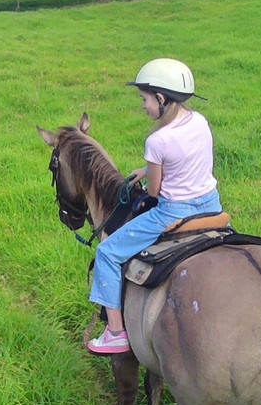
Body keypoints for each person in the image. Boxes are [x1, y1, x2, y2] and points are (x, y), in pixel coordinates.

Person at [86, 58, 223, 355]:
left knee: (106, 252)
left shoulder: (157, 140)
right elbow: (185, 159)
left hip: (172, 213)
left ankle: (114, 333)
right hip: (211, 204)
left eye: (144, 99)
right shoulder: (199, 121)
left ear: (161, 99)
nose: (142, 106)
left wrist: (148, 174)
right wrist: (147, 168)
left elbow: (155, 191)